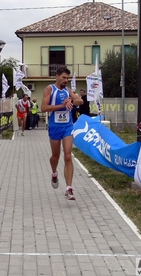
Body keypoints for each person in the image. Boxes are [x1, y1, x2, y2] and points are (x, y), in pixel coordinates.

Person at [41, 66, 83, 200]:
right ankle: (54, 173)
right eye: (64, 77)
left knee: (68, 156)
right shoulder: (50, 89)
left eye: (67, 78)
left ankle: (69, 189)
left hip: (67, 127)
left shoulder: (68, 90)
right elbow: (44, 107)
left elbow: (80, 101)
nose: (66, 80)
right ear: (57, 77)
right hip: (54, 127)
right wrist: (62, 105)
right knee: (55, 156)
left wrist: (71, 100)